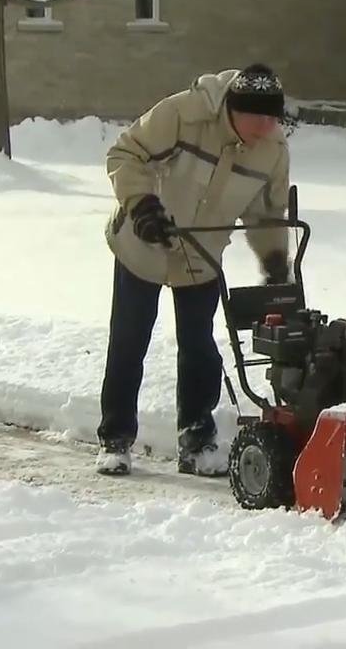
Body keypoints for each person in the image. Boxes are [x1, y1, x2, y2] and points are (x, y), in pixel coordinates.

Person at [94, 63, 291, 477]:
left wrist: (275, 261)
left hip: (201, 250)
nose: (268, 126)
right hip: (145, 240)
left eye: (275, 118)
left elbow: (267, 211)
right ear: (234, 110)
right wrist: (142, 205)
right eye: (260, 117)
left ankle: (198, 441)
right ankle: (115, 439)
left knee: (200, 345)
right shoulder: (184, 114)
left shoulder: (272, 149)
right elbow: (125, 154)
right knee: (130, 338)